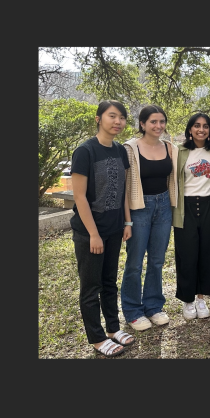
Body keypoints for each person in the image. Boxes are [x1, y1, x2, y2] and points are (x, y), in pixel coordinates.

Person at [70, 99, 135, 357]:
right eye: (112, 116)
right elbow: (79, 197)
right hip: (90, 232)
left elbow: (123, 191)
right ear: (99, 119)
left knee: (109, 281)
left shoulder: (120, 150)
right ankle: (97, 338)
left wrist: (127, 222)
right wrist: (93, 234)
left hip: (115, 228)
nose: (117, 121)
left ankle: (112, 328)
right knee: (91, 286)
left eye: (121, 117)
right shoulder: (85, 151)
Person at [121, 105, 178, 331]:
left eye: (162, 121)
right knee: (134, 263)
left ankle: (153, 306)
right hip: (139, 208)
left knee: (157, 260)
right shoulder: (129, 148)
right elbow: (125, 187)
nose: (158, 126)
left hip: (164, 206)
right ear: (142, 124)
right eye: (153, 122)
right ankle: (133, 311)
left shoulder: (170, 148)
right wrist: (127, 220)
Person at [172, 112, 210, 321]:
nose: (201, 129)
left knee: (208, 253)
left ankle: (201, 298)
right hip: (186, 207)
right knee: (187, 254)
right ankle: (188, 300)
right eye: (197, 126)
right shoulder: (179, 152)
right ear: (190, 129)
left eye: (205, 126)